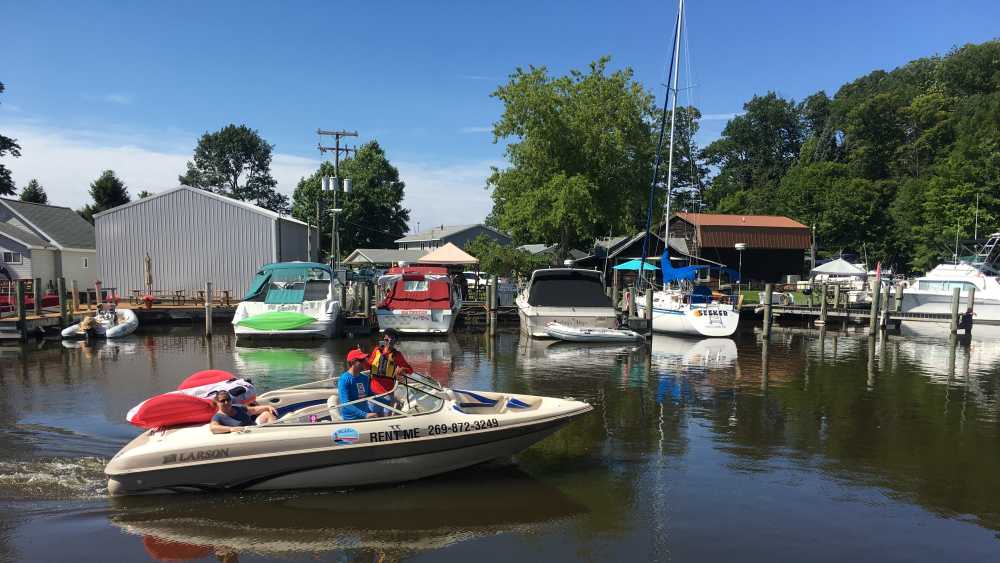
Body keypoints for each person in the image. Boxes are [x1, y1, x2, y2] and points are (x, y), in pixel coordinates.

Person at [367, 328, 413, 414]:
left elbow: (410, 370)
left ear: (395, 341)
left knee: (386, 415)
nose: (389, 342)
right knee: (374, 415)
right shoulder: (376, 350)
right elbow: (368, 365)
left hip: (388, 393)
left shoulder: (397, 355)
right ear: (384, 339)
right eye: (387, 339)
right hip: (373, 392)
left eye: (392, 340)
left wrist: (402, 369)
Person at [209, 390, 277, 434]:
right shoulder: (218, 416)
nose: (226, 402)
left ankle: (276, 432)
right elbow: (213, 428)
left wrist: (268, 407)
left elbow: (253, 410)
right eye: (222, 401)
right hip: (246, 434)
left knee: (267, 413)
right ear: (217, 402)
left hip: (255, 428)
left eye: (228, 399)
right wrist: (230, 429)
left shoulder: (238, 407)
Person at [338, 348, 379, 420]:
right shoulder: (344, 379)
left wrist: (387, 401)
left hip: (366, 416)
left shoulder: (365, 378)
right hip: (352, 420)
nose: (365, 362)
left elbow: (371, 395)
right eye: (362, 360)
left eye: (364, 360)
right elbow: (345, 403)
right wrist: (365, 415)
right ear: (353, 362)